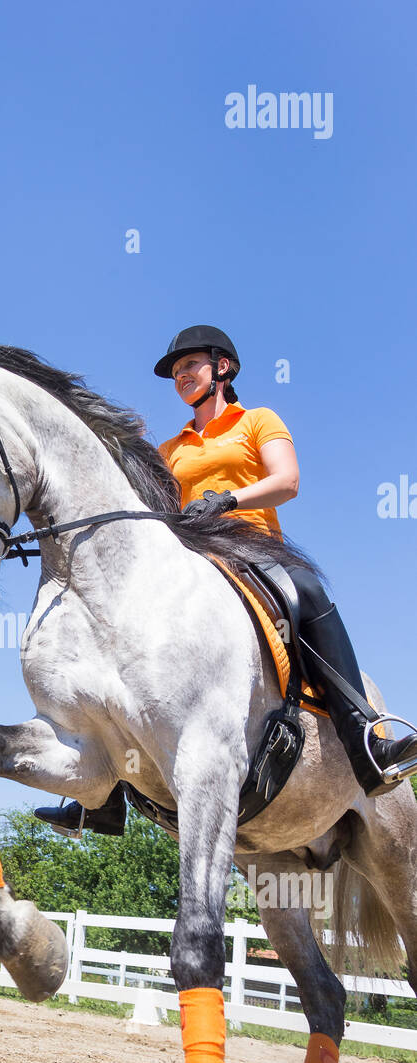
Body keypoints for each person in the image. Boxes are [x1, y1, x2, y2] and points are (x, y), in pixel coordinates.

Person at [36, 325, 417, 836]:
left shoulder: (257, 420)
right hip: (192, 558)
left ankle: (364, 737)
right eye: (174, 373)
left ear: (223, 368)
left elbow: (287, 481)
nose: (181, 377)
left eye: (189, 366)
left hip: (254, 548)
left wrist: (228, 501)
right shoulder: (170, 447)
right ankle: (99, 797)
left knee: (307, 589)